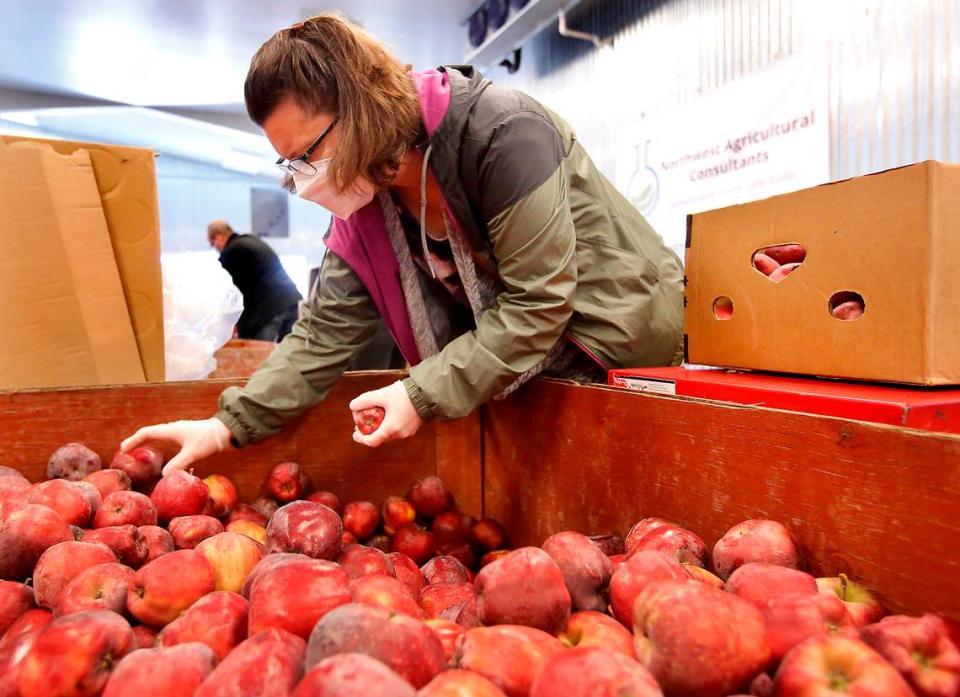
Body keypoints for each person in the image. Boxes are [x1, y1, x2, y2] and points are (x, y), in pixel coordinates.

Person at [122, 13, 684, 474]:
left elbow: (538, 302)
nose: (306, 177)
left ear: (363, 107)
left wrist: (421, 393)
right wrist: (226, 425)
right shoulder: (371, 200)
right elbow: (322, 334)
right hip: (529, 375)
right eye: (290, 163)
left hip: (617, 352)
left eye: (310, 153)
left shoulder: (503, 136)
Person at [208, 220, 302, 342]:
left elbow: (234, 294)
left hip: (270, 309)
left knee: (257, 354)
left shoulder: (232, 252)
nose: (215, 248)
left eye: (212, 244)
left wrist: (234, 324)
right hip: (291, 302)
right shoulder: (250, 241)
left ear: (218, 236)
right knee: (285, 354)